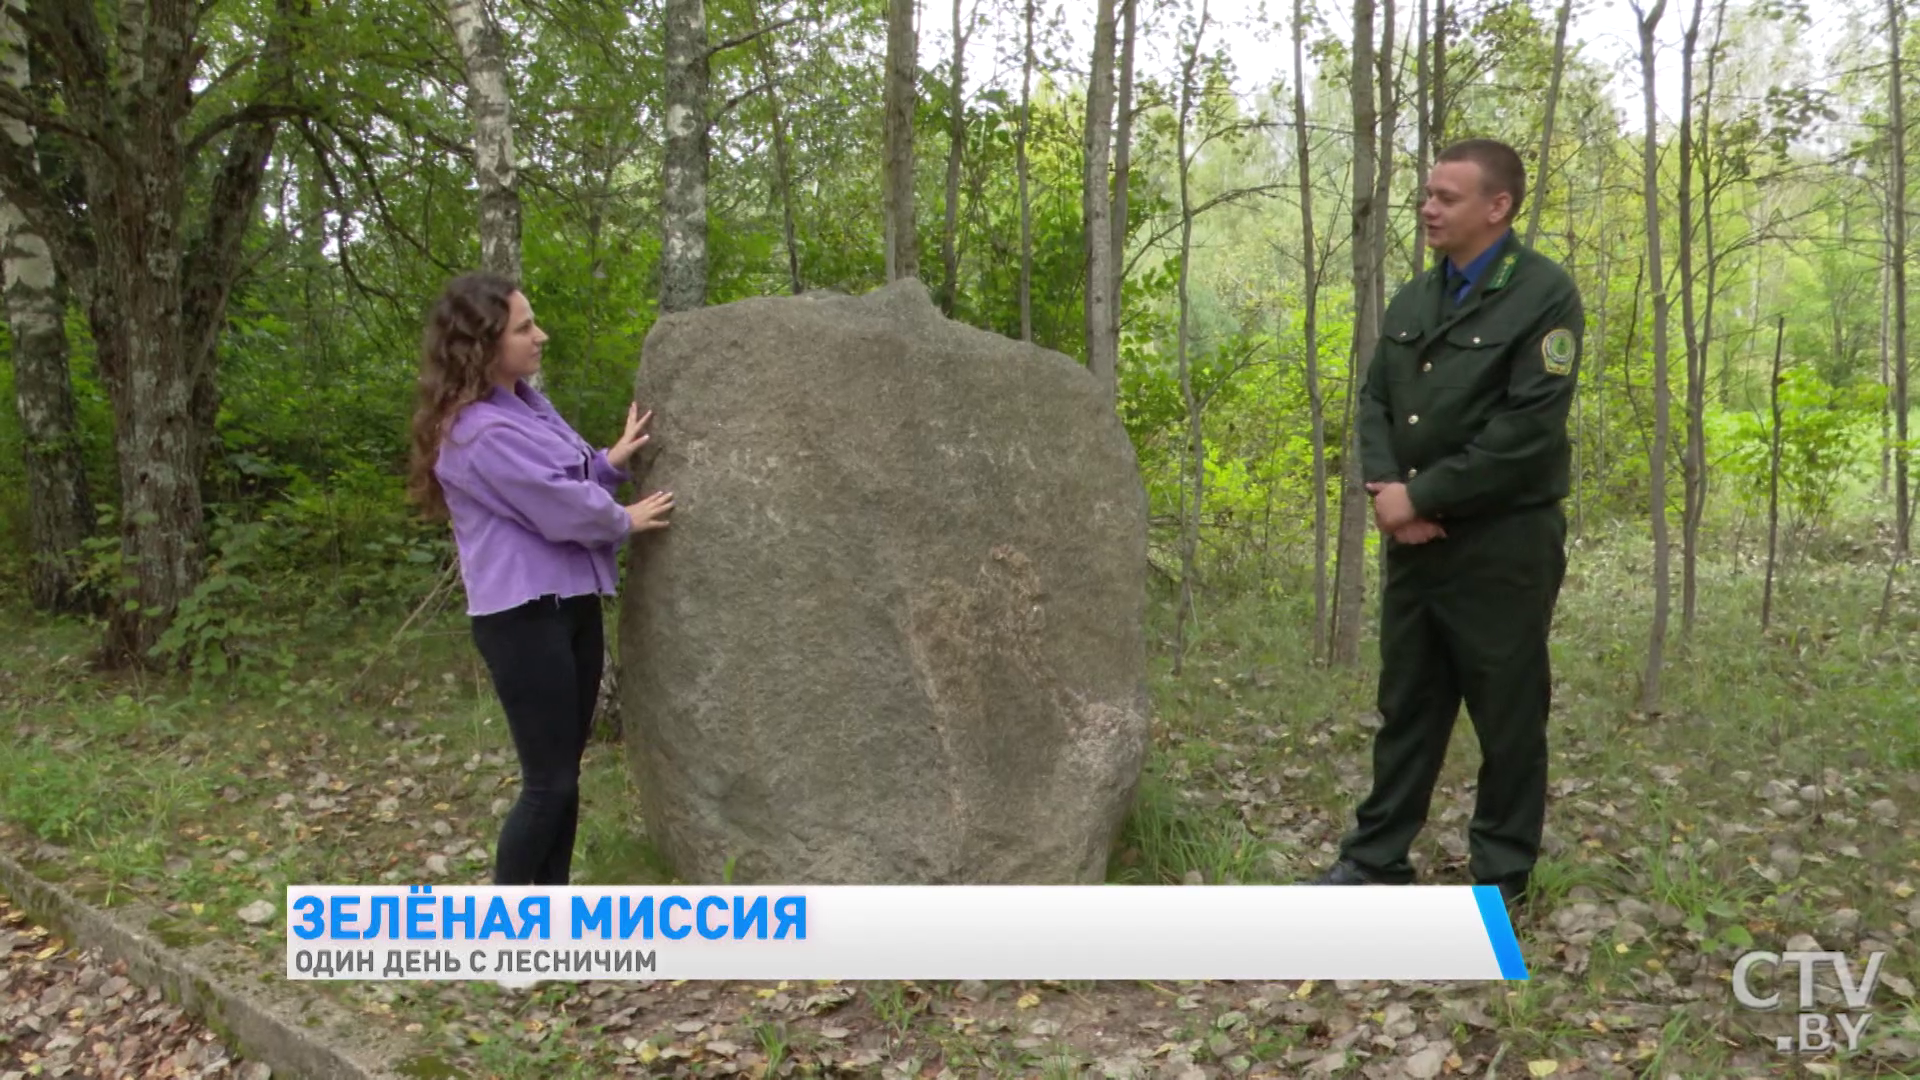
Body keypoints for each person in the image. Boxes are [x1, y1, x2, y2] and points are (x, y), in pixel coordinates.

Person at [1314, 138, 1583, 911]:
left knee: (1506, 710)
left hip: (1503, 543)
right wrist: (1389, 494)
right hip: (1415, 542)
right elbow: (1375, 402)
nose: (1428, 208)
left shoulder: (1543, 296)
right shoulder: (1415, 299)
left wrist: (1422, 496)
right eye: (1426, 195)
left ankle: (1500, 879)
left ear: (1497, 207)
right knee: (1409, 703)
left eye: (1447, 197)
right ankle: (1375, 859)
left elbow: (1526, 431)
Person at [406, 271, 674, 889]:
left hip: (569, 605)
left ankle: (546, 919)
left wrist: (611, 461)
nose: (540, 336)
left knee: (566, 775)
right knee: (547, 781)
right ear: (482, 343)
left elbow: (567, 472)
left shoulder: (523, 404)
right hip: (522, 620)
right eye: (525, 328)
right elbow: (554, 505)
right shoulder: (475, 431)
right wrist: (622, 518)